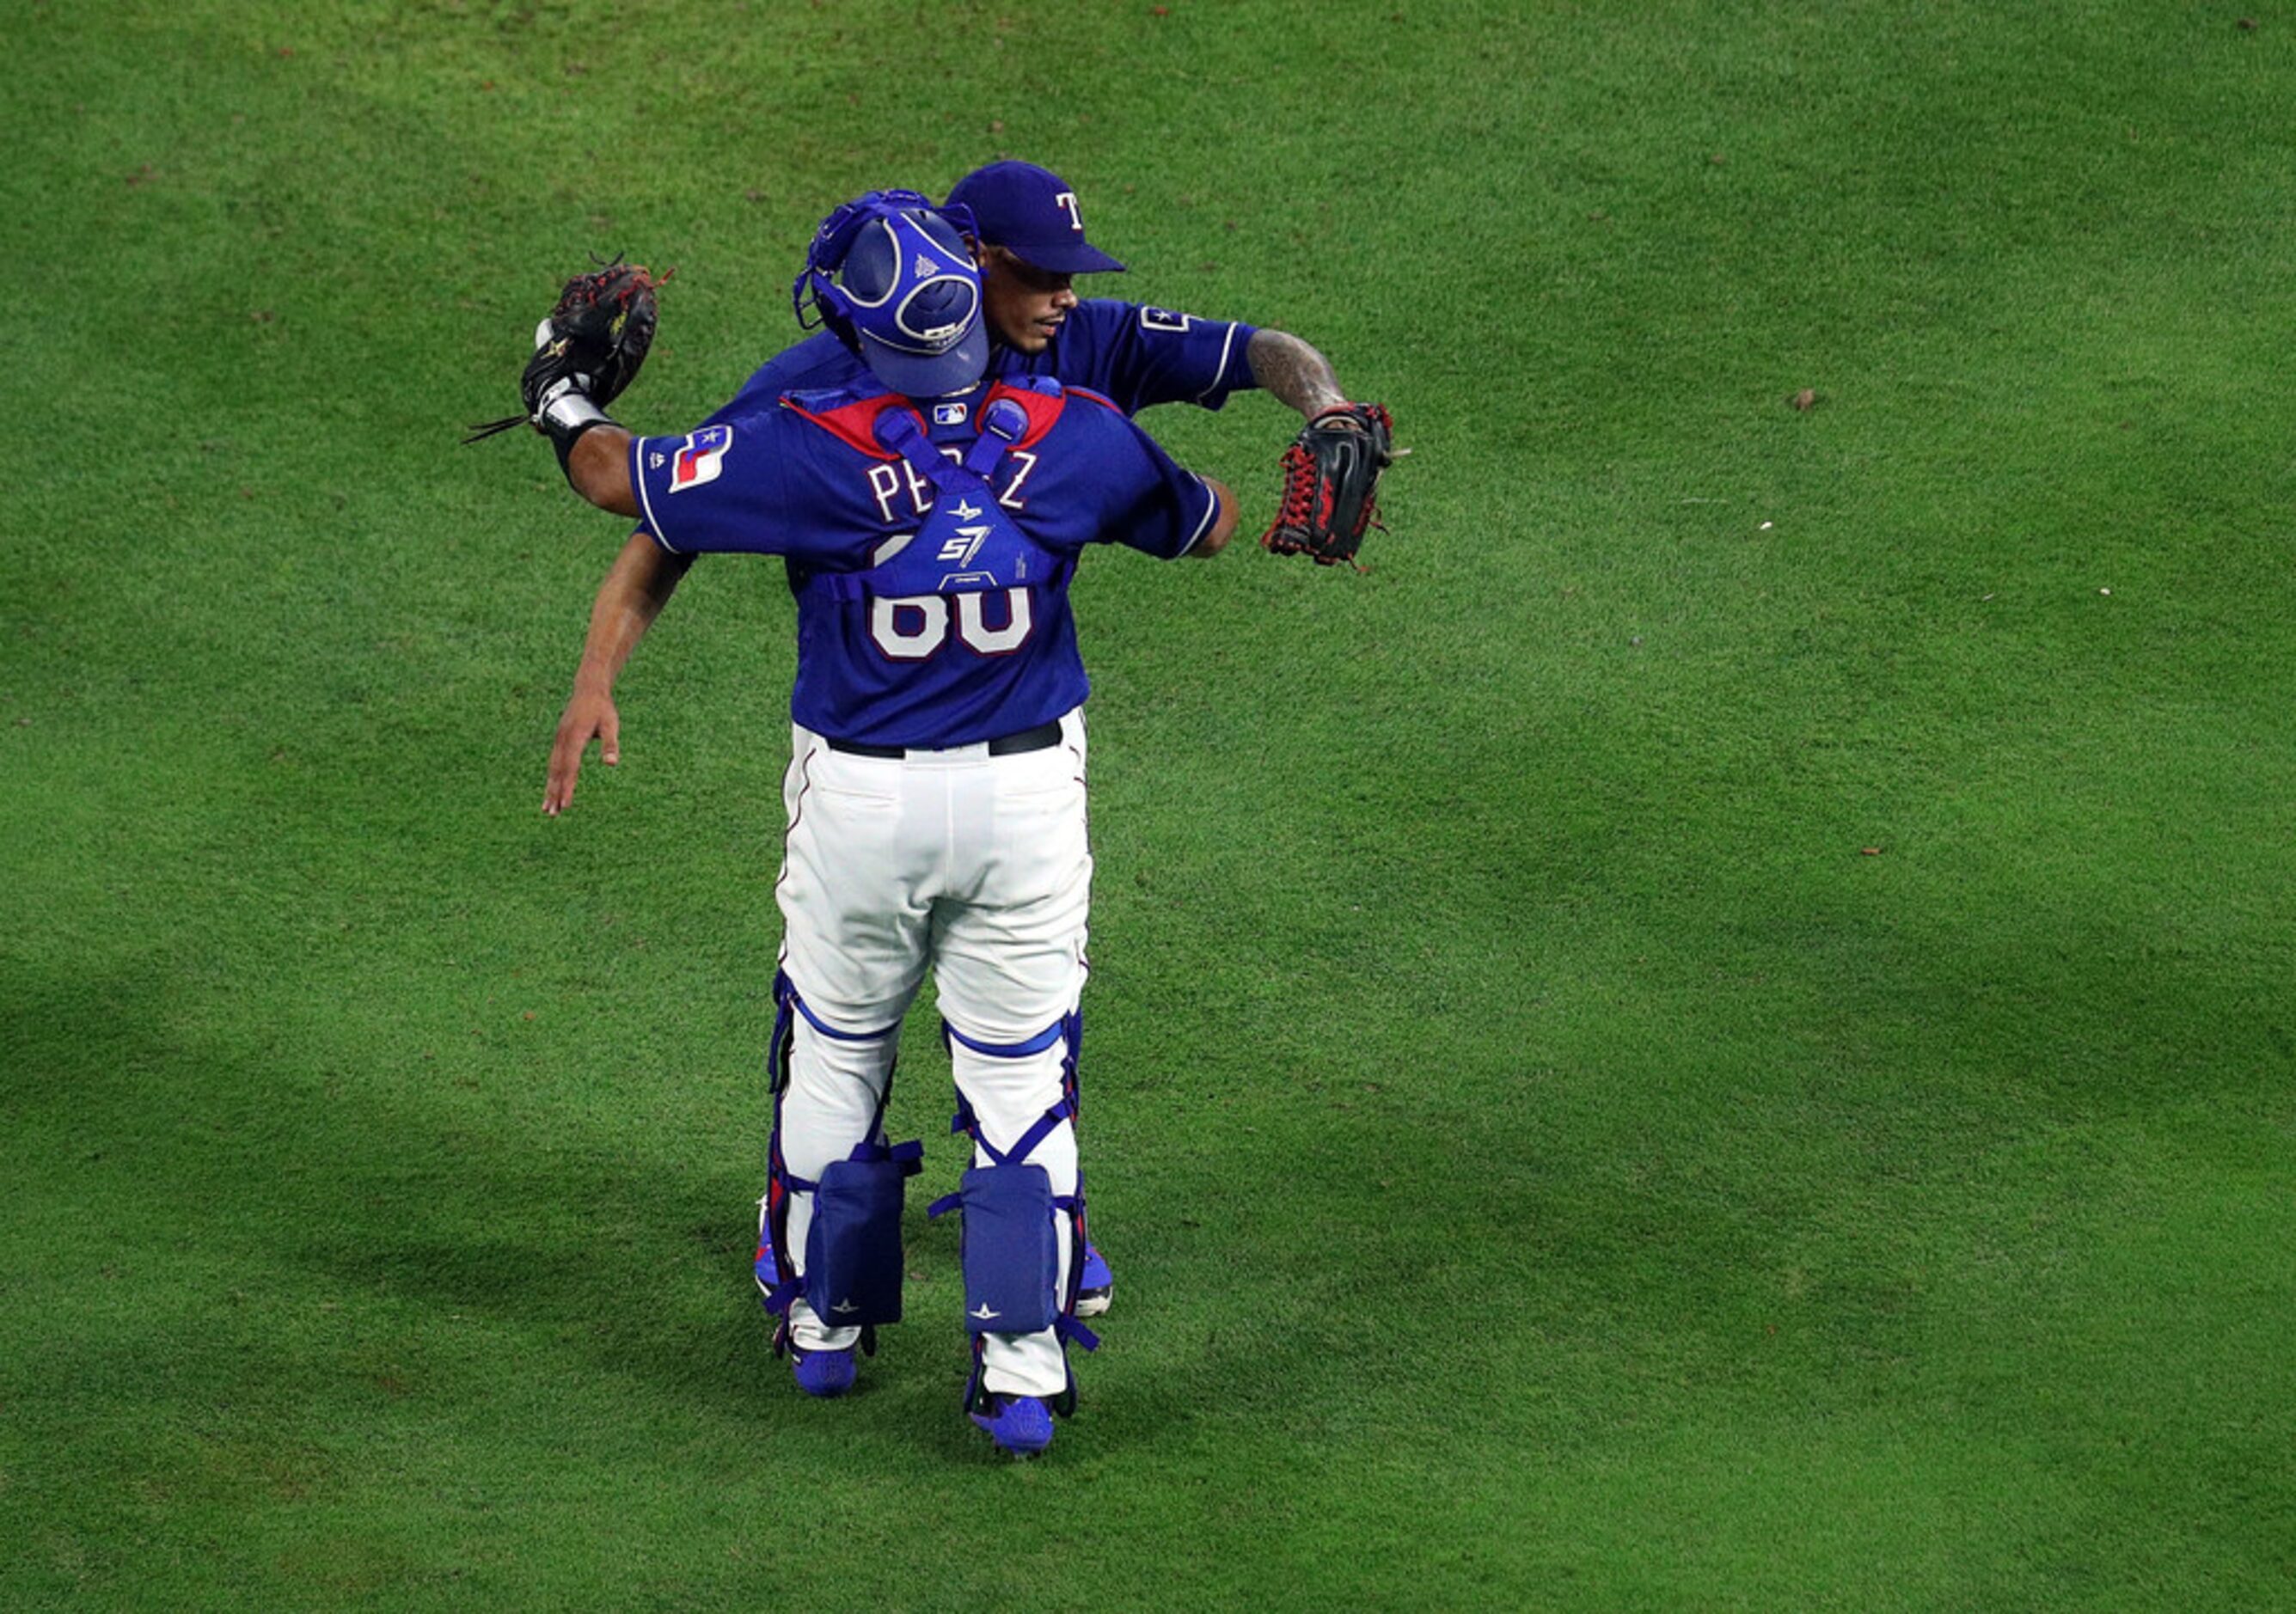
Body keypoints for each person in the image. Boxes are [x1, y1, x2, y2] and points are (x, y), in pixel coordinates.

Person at [545, 160, 1373, 1317]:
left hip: (901, 777)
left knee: (887, 1029)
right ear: (972, 259)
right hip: (993, 776)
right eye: (1040, 275)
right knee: (996, 1039)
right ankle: (989, 1294)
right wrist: (597, 671)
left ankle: (845, 1291)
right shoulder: (822, 383)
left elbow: (1261, 351)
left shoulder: (1065, 344)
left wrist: (1326, 403)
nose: (1065, 300)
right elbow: (667, 529)